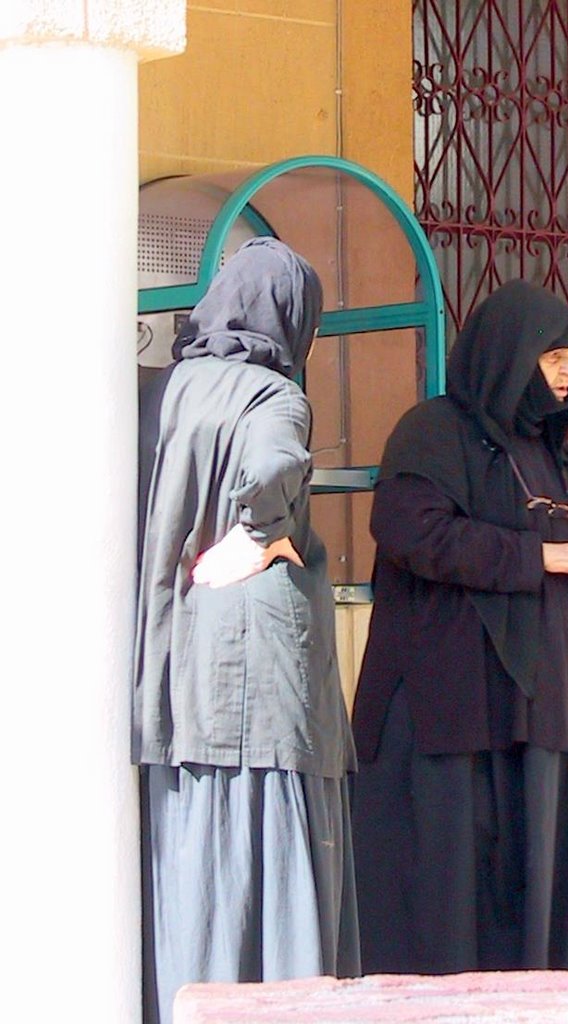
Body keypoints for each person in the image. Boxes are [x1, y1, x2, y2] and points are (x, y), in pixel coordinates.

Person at [350, 278, 568, 975]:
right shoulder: (434, 432)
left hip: (551, 723)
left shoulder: (561, 461)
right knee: (447, 911)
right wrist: (545, 555)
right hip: (455, 722)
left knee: (538, 923)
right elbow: (412, 534)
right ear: (509, 354)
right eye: (554, 357)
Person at [133, 237, 359, 1024]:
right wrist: (261, 534)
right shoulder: (273, 396)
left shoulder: (160, 392)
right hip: (260, 665)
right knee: (274, 848)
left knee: (196, 857)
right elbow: (270, 468)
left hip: (178, 663)